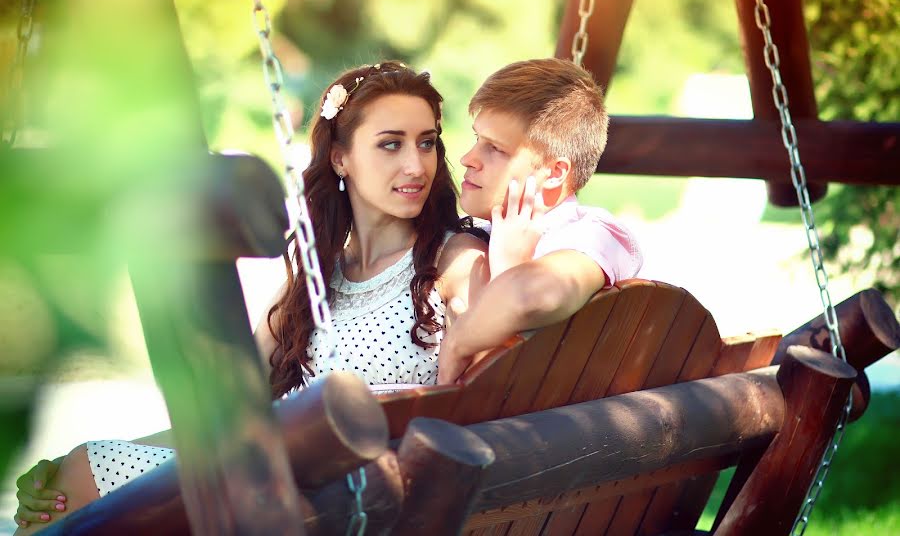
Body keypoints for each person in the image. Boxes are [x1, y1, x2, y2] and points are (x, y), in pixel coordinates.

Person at [12, 61, 498, 531]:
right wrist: (121, 448)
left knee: (87, 479)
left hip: (350, 501)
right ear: (340, 157)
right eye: (390, 145)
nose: (416, 164)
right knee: (81, 467)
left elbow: (485, 394)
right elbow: (229, 408)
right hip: (281, 486)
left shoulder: (453, 262)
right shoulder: (317, 273)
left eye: (427, 143)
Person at [437, 57, 643, 384]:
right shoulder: (476, 234)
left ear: (554, 172)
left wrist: (458, 343)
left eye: (495, 149)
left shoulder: (591, 236)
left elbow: (533, 294)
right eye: (478, 139)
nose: (468, 159)